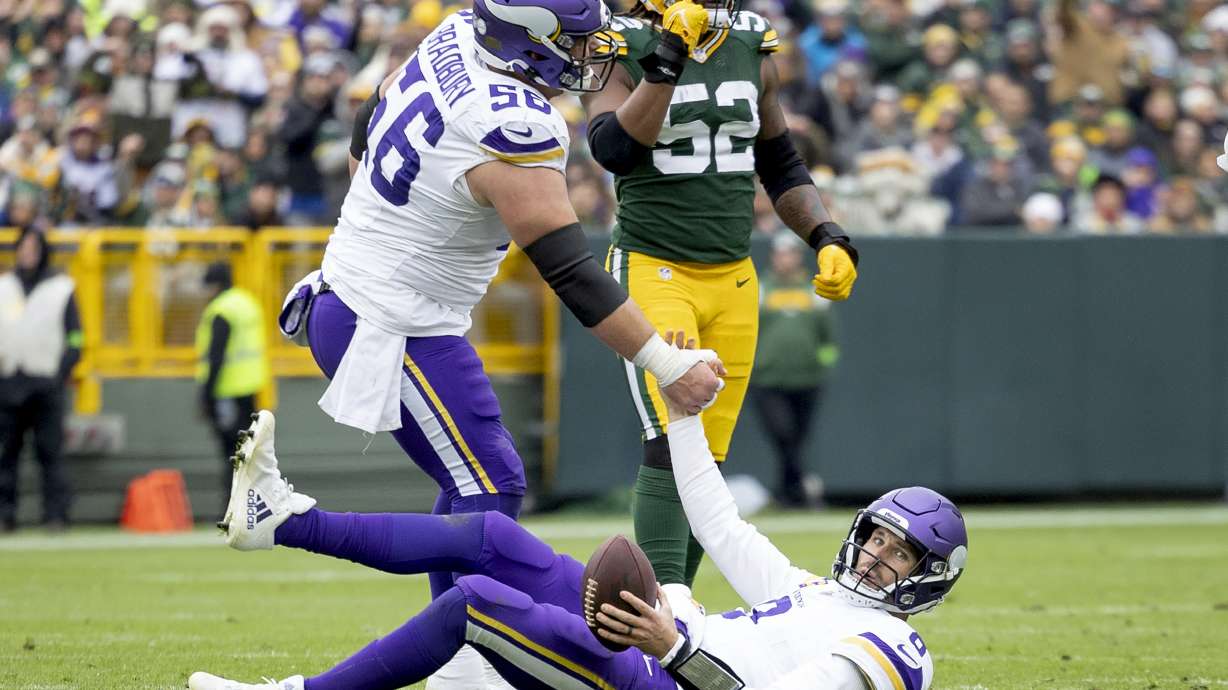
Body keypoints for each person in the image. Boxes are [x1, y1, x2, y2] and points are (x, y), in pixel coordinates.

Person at [275, 0, 722, 686]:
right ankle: (461, 657)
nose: (587, 55)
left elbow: (367, 128)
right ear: (529, 44)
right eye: (574, 43)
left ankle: (462, 647)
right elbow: (571, 271)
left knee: (479, 484)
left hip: (368, 295)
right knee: (489, 485)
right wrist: (664, 362)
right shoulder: (511, 123)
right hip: (390, 318)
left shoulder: (458, 33)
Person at [188, 380, 966, 689]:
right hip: (666, 647)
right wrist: (680, 407)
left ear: (929, 577)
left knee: (478, 604)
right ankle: (282, 520)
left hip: (669, 680)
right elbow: (717, 519)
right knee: (491, 538)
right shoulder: (812, 590)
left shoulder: (899, 649)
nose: (878, 556)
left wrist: (676, 644)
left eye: (902, 554)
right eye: (878, 537)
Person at [580, 0, 859, 595]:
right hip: (654, 268)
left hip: (733, 275)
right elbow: (611, 149)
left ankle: (675, 629)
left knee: (705, 457)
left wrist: (826, 234)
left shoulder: (751, 42)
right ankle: (657, 621)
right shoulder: (615, 43)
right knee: (668, 441)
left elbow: (780, 162)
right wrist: (668, 60)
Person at [0, 227, 82, 532]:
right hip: (8, 381)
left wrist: (60, 372)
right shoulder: (4, 286)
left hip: (45, 382)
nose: (28, 251)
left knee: (50, 453)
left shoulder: (60, 287)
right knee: (6, 454)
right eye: (23, 245)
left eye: (34, 246)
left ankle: (56, 515)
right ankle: (5, 515)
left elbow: (76, 336)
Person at [751, 234, 838, 507]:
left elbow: (828, 337)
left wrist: (821, 362)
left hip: (807, 380)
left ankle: (786, 494)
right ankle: (801, 490)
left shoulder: (814, 292)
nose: (786, 259)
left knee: (797, 440)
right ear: (774, 256)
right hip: (768, 379)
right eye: (781, 253)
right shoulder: (760, 289)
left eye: (791, 253)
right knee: (784, 435)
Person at [196, 262, 268, 511]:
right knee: (248, 453)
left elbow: (216, 356)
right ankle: (249, 506)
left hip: (227, 392)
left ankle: (232, 508)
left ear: (214, 286)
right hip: (251, 388)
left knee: (232, 454)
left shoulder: (222, 310)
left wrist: (205, 396)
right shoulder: (247, 303)